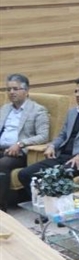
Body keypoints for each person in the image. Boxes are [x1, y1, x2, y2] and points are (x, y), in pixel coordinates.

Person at [19, 78, 79, 203]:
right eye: (76, 91)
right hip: (61, 156)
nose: (77, 95)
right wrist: (52, 146)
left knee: (54, 178)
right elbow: (62, 135)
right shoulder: (72, 113)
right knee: (25, 174)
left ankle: (53, 207)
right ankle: (45, 205)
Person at [0, 74, 49, 211]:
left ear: (26, 91)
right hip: (1, 148)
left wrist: (20, 144)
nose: (11, 92)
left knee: (2, 164)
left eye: (15, 89)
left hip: (20, 153)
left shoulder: (38, 110)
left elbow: (43, 136)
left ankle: (1, 207)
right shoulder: (5, 108)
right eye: (8, 89)